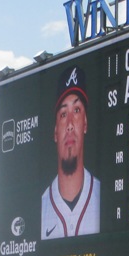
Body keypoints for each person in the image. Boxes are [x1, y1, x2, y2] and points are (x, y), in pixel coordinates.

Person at [41, 65, 100, 240]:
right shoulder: (41, 205)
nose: (70, 124)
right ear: (55, 133)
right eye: (63, 114)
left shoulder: (102, 195)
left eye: (76, 110)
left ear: (86, 123)